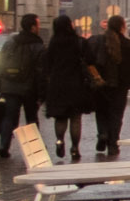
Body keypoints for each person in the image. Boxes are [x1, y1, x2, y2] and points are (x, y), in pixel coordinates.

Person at [40, 15, 97, 162]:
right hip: (77, 84)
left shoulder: (53, 43)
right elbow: (91, 60)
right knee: (75, 118)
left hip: (58, 85)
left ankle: (59, 141)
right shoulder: (79, 42)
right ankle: (75, 148)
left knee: (60, 118)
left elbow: (46, 65)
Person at [88, 15, 130, 156]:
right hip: (120, 86)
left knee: (101, 112)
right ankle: (113, 144)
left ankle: (102, 134)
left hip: (100, 85)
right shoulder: (127, 44)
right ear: (122, 27)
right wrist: (127, 73)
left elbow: (89, 61)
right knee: (116, 115)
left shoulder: (97, 41)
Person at [0, 14, 46, 159]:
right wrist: (42, 93)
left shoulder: (10, 42)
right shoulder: (38, 45)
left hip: (9, 87)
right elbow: (41, 72)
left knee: (9, 117)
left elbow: (0, 64)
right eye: (38, 25)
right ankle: (34, 150)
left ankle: (4, 145)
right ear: (33, 27)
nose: (39, 27)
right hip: (29, 89)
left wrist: (0, 85)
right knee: (31, 119)